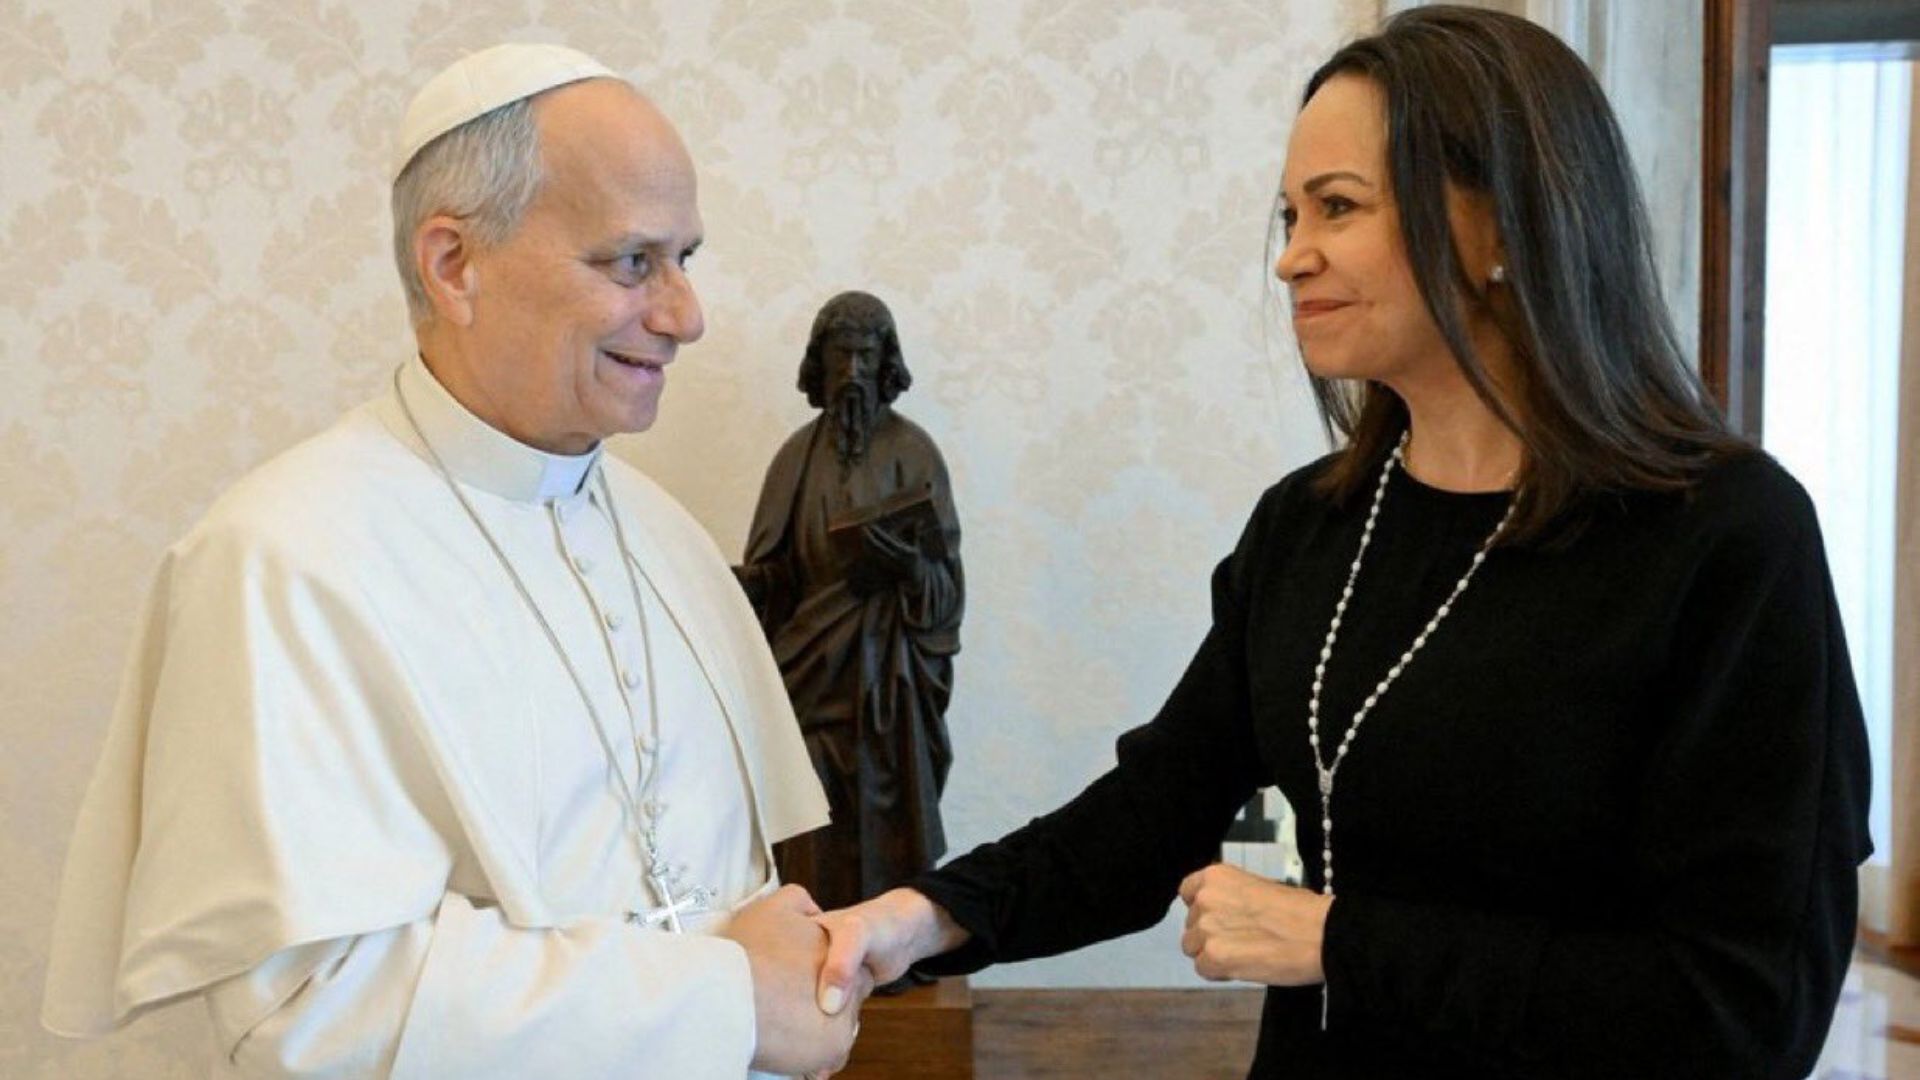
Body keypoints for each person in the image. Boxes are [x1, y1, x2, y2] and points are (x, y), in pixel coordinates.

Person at [813, 8, 1873, 1078]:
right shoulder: (1308, 528)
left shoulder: (1731, 538)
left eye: (1338, 207)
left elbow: (1747, 1010)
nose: (1291, 258)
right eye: (1291, 215)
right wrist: (916, 919)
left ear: (1501, 225)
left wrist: (1335, 941)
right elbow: (1153, 812)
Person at [42, 43, 866, 1079]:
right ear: (453, 264)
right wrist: (722, 1001)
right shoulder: (280, 558)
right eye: (630, 262)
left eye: (685, 259)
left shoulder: (664, 536)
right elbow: (308, 1012)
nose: (683, 316)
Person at [737, 292, 963, 942]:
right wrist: (747, 584)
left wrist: (908, 570)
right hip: (808, 676)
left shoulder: (915, 454)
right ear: (821, 361)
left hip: (888, 687)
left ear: (886, 361)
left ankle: (889, 948)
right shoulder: (794, 459)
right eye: (843, 354)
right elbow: (776, 573)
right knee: (810, 820)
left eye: (867, 354)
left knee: (885, 811)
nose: (854, 370)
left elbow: (946, 588)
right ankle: (813, 948)